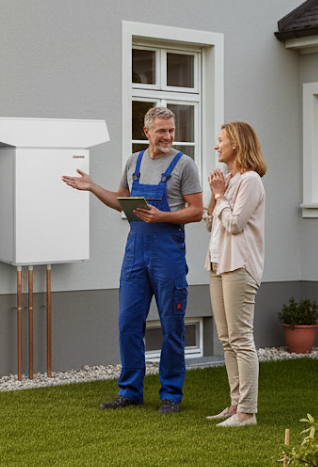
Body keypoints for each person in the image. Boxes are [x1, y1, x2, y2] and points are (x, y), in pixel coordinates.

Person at [62, 106, 203, 413]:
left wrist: (163, 216)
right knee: (128, 323)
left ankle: (171, 395)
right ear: (147, 132)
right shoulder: (133, 162)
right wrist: (93, 187)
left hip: (168, 252)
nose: (168, 136)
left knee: (171, 324)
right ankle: (130, 391)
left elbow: (196, 211)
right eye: (162, 131)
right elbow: (120, 202)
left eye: (171, 131)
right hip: (135, 252)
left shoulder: (184, 165)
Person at [204, 122, 267, 428]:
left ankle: (248, 412)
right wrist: (216, 195)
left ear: (237, 145)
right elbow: (210, 224)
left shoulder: (251, 180)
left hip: (239, 265)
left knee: (241, 338)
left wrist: (220, 195)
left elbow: (235, 224)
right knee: (227, 338)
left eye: (221, 141)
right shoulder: (229, 180)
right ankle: (234, 405)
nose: (217, 146)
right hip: (218, 264)